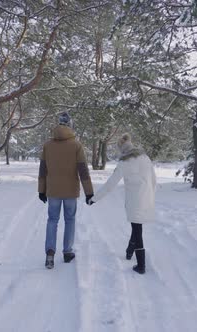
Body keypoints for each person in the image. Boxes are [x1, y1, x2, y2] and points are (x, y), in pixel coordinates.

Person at [89, 133, 156, 274]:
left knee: (137, 230)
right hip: (147, 196)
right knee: (137, 225)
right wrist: (151, 194)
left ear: (121, 148)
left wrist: (95, 198)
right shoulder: (145, 157)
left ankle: (141, 265)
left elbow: (111, 184)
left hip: (134, 200)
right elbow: (153, 178)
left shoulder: (124, 162)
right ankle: (129, 251)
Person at [38, 112, 94, 269]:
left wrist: (41, 190)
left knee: (52, 220)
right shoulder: (76, 145)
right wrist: (89, 192)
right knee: (70, 220)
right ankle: (67, 252)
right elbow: (83, 171)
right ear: (70, 125)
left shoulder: (48, 145)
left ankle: (50, 253)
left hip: (53, 191)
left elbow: (43, 170)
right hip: (70, 191)